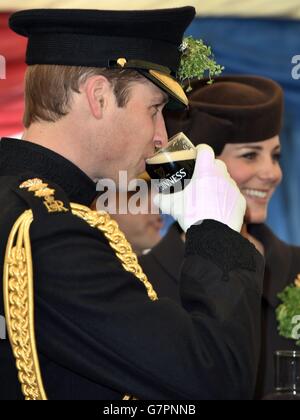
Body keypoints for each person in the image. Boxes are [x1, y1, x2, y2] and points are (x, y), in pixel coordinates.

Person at [0, 9, 264, 400]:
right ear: (99, 96)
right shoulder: (48, 230)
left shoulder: (28, 207)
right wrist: (217, 232)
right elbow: (214, 380)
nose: (162, 137)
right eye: (155, 109)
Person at [141, 75, 300, 399]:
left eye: (275, 155)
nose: (272, 173)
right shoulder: (143, 282)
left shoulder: (295, 265)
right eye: (250, 155)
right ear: (203, 168)